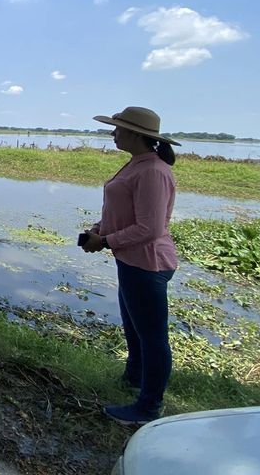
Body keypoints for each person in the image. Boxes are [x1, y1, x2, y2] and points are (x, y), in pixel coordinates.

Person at [81, 106, 180, 426]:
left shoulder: (152, 172)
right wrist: (99, 229)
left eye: (118, 128)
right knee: (135, 328)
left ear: (136, 135)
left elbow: (150, 228)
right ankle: (133, 377)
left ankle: (148, 408)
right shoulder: (138, 163)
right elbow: (123, 211)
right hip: (131, 260)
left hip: (147, 264)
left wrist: (105, 241)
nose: (113, 133)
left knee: (152, 338)